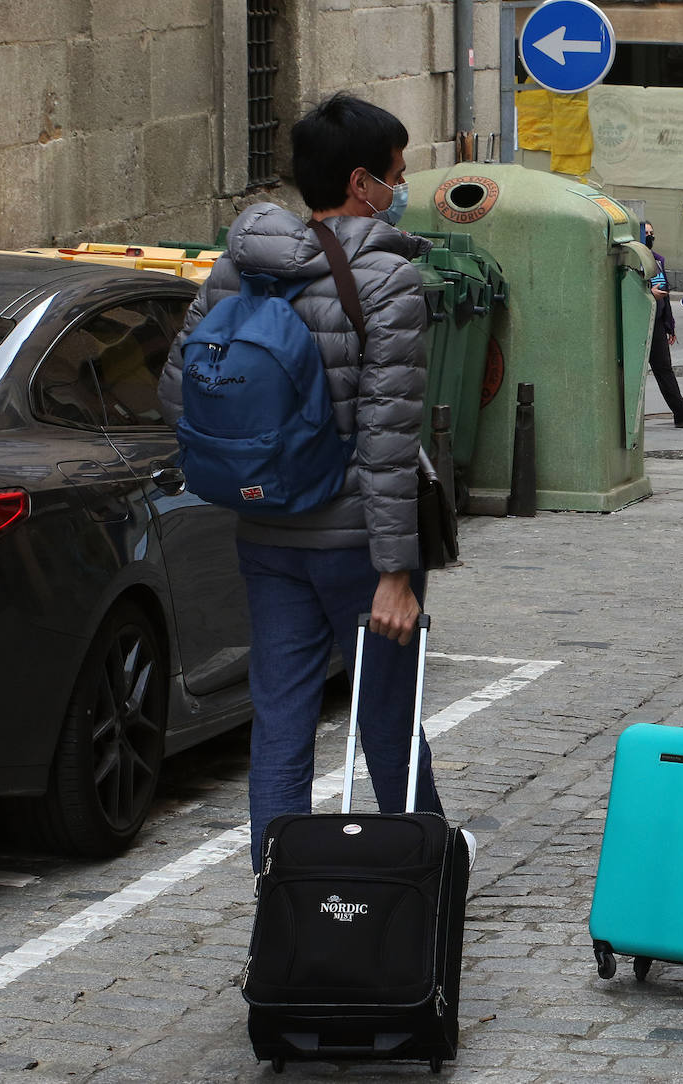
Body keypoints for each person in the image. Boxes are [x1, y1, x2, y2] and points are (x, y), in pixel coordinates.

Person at [158, 93, 473, 872]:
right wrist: (396, 572)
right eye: (396, 174)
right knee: (387, 717)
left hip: (266, 532)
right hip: (359, 542)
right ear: (362, 182)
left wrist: (265, 462)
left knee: (280, 722)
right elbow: (388, 437)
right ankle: (425, 877)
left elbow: (176, 393)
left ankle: (280, 894)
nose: (401, 188)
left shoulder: (238, 268)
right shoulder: (388, 279)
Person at [643, 224, 683, 428]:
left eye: (652, 234)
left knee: (664, 369)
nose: (650, 237)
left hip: (657, 322)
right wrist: (648, 294)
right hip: (640, 322)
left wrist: (669, 325)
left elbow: (666, 295)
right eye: (646, 234)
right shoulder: (632, 260)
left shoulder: (657, 260)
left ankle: (682, 413)